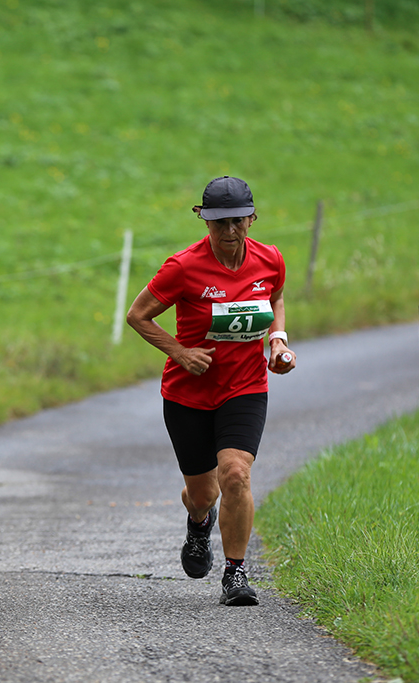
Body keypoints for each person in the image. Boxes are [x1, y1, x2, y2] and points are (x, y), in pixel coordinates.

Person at [126, 175, 295, 606]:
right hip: (188, 395)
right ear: (204, 219)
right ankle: (199, 521)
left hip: (245, 386)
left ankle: (235, 572)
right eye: (220, 222)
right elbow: (138, 315)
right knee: (203, 493)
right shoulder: (182, 267)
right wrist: (179, 352)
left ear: (252, 218)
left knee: (235, 473)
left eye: (238, 221)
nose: (229, 230)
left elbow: (274, 298)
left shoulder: (271, 259)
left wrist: (277, 340)